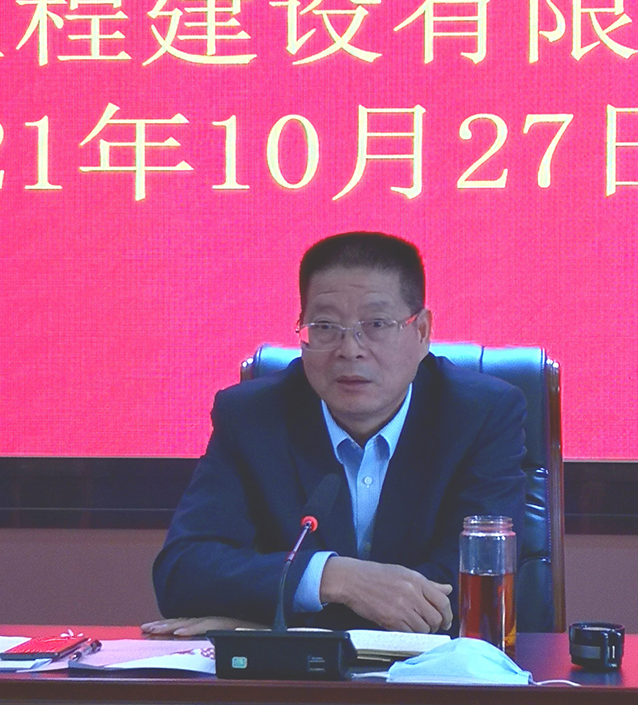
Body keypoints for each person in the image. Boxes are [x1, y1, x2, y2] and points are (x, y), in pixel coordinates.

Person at [153, 232, 526, 633]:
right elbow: (182, 573)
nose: (350, 349)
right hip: (295, 676)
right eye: (326, 326)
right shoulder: (253, 418)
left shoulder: (480, 416)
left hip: (440, 671)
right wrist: (333, 578)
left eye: (377, 324)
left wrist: (266, 623)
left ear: (422, 332)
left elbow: (461, 594)